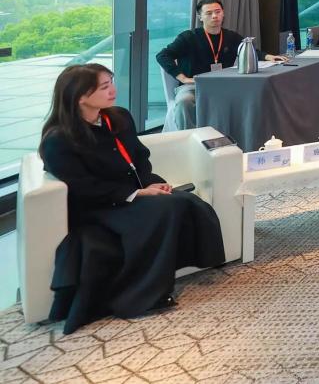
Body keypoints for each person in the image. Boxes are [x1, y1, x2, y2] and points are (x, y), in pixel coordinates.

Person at [38, 64, 226, 334]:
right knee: (166, 209)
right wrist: (135, 194)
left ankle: (192, 264)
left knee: (185, 201)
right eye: (104, 87)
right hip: (98, 206)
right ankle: (143, 296)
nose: (112, 90)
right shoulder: (59, 139)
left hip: (132, 192)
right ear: (80, 96)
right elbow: (83, 187)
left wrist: (148, 183)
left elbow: (139, 158)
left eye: (111, 82)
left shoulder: (119, 118)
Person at [155, 0, 284, 131]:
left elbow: (249, 50)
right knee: (185, 101)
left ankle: (240, 135)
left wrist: (269, 57)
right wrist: (183, 78)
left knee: (252, 94)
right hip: (195, 86)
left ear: (223, 13)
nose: (214, 16)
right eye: (209, 13)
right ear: (200, 17)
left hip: (222, 84)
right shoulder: (188, 37)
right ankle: (190, 137)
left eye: (218, 12)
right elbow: (162, 55)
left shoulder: (231, 36)